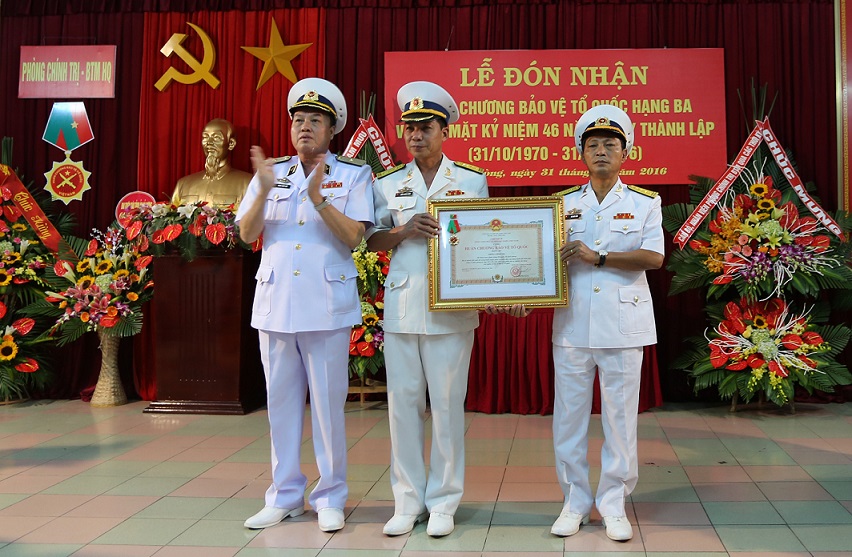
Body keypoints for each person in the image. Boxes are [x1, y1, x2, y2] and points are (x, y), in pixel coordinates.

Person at [237, 77, 374, 533]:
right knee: (280, 405)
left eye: (315, 120)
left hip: (326, 304)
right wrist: (262, 189)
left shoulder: (353, 174)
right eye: (298, 120)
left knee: (328, 409)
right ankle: (284, 495)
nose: (305, 127)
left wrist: (319, 200)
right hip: (276, 303)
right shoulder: (272, 172)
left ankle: (331, 495)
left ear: (332, 129)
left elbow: (356, 237)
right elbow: (247, 234)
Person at [366, 81, 488, 538]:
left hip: (452, 310)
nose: (415, 135)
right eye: (409, 128)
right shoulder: (388, 182)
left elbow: (484, 241)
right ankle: (407, 500)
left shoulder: (471, 180)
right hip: (403, 304)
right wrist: (403, 232)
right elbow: (371, 238)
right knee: (402, 407)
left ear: (444, 130)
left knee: (448, 407)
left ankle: (443, 500)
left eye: (425, 127)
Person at [549, 105, 664, 542]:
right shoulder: (562, 204)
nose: (601, 150)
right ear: (580, 153)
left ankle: (614, 503)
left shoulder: (645, 202)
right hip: (573, 324)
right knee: (568, 419)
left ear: (625, 152)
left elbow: (654, 257)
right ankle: (574, 502)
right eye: (592, 144)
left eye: (610, 144)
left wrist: (598, 257)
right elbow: (543, 262)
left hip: (622, 325)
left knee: (620, 420)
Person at [171, 118, 252, 207]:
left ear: (231, 143)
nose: (209, 142)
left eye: (216, 137)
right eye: (205, 137)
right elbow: (171, 213)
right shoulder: (183, 184)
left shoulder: (247, 183)